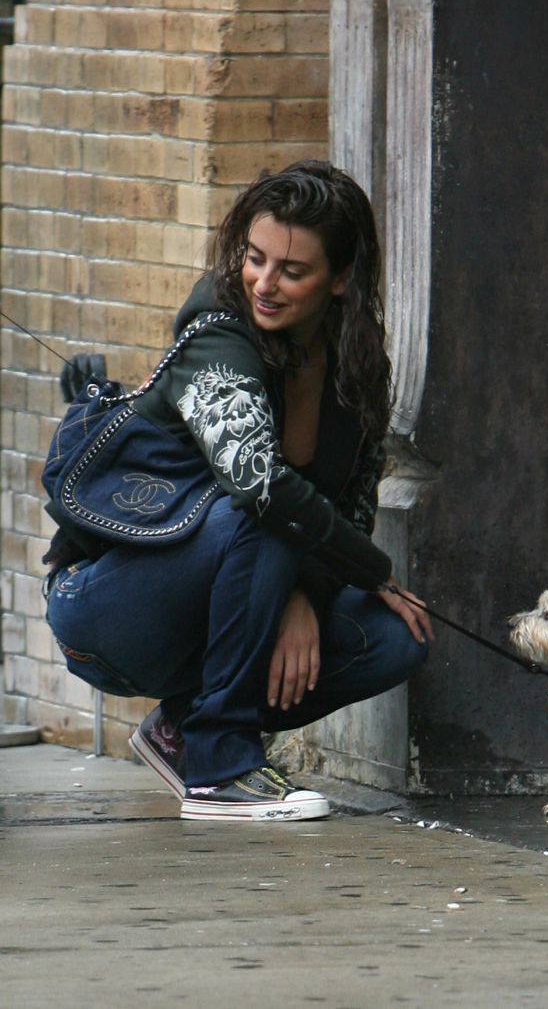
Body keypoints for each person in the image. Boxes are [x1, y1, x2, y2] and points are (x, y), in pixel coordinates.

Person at [45, 161, 432, 822]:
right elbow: (258, 483)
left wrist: (304, 595)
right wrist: (371, 570)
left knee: (396, 638)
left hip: (230, 593)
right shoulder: (218, 336)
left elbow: (352, 509)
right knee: (263, 513)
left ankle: (182, 729)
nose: (265, 283)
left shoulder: (356, 364)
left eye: (292, 270)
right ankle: (221, 765)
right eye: (255, 259)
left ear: (340, 278)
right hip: (106, 603)